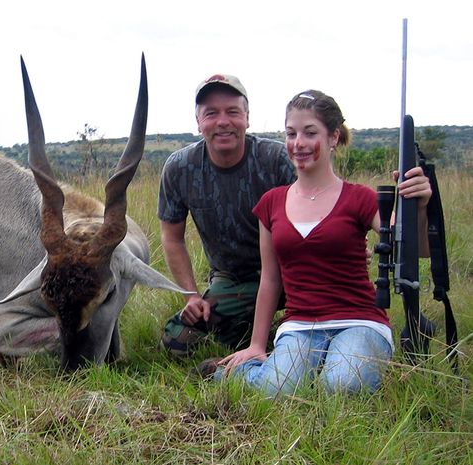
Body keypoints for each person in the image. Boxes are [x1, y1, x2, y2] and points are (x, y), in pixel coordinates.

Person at [202, 89, 432, 396]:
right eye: (291, 133)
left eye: (310, 133)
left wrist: (419, 205)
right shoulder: (271, 204)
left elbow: (413, 250)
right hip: (300, 326)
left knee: (342, 386)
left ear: (334, 137)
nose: (299, 144)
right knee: (278, 390)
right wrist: (257, 344)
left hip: (359, 321)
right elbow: (270, 280)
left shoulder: (360, 198)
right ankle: (236, 372)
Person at [157, 74, 296, 355]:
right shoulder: (179, 168)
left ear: (247, 117)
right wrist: (191, 296)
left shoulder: (276, 159)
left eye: (233, 112)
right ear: (198, 123)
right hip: (233, 279)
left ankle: (289, 325)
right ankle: (256, 328)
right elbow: (172, 239)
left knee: (309, 333)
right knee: (177, 343)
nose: (223, 122)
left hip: (292, 270)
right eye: (211, 114)